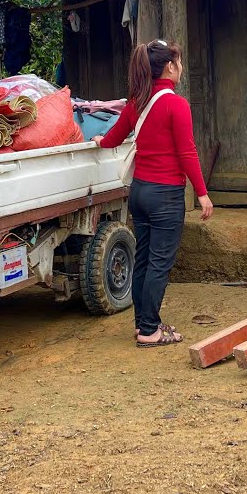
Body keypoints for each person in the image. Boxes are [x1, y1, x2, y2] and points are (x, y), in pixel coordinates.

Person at [94, 40, 214, 348]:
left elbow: (113, 138)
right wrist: (202, 193)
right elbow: (187, 151)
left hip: (139, 193)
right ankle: (150, 331)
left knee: (145, 260)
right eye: (179, 62)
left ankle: (144, 324)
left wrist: (98, 141)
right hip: (165, 196)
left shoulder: (137, 102)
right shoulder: (176, 104)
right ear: (170, 66)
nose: (181, 68)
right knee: (159, 263)